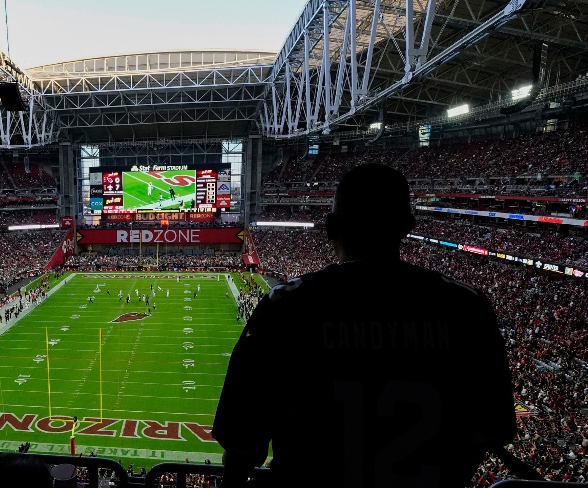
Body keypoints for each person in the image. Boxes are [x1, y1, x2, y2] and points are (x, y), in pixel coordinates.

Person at [212, 164, 515, 488]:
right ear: (408, 226)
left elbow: (241, 439)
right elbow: (490, 429)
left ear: (329, 227)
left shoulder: (287, 306)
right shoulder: (466, 308)